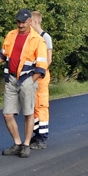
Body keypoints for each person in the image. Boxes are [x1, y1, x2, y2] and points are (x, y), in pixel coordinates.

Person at [0, 9, 48, 158]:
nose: (21, 25)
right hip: (11, 79)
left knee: (28, 113)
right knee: (7, 114)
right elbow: (2, 55)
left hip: (27, 79)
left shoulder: (38, 40)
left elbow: (42, 65)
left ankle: (26, 145)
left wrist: (31, 81)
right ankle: (17, 143)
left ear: (30, 21)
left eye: (23, 22)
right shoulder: (11, 35)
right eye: (19, 22)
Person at [29, 11, 52, 149]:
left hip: (41, 77)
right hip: (33, 76)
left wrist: (39, 72)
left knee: (41, 106)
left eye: (29, 22)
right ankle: (36, 135)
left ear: (35, 22)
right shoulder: (32, 38)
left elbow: (48, 59)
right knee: (32, 107)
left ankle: (42, 138)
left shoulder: (45, 37)